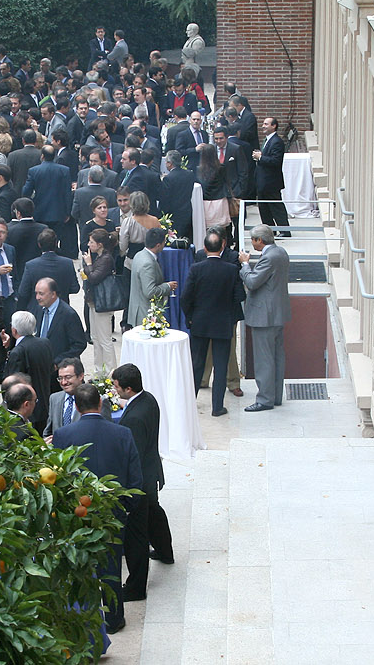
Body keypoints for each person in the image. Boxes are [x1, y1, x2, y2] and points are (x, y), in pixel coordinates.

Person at [51, 383, 143, 634]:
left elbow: (57, 480)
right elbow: (135, 479)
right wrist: (124, 509)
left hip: (77, 514)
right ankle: (114, 619)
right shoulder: (122, 433)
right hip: (113, 514)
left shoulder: (63, 436)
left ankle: (86, 620)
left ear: (78, 408)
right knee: (111, 567)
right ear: (100, 404)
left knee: (80, 567)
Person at [112, 362, 175, 592]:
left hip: (141, 480)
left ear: (128, 389)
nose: (115, 390)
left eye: (117, 387)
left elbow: (134, 455)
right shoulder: (148, 399)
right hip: (151, 471)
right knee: (155, 513)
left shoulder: (134, 419)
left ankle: (136, 586)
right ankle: (164, 551)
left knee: (137, 534)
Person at [180, 231, 245, 417]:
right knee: (221, 365)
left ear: (205, 248)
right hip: (223, 324)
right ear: (222, 247)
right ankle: (217, 407)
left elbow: (185, 298)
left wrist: (190, 316)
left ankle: (190, 404)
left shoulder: (196, 269)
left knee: (197, 364)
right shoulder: (231, 270)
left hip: (200, 323)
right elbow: (240, 296)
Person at [239, 225, 292, 410]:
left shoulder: (268, 257)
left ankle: (264, 400)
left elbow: (252, 282)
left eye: (253, 240)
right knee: (277, 356)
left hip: (264, 316)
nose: (252, 243)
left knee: (264, 359)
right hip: (277, 313)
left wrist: (245, 265)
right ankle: (275, 396)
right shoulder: (281, 252)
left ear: (259, 241)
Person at [82, 227, 123, 375]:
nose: (89, 244)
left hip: (103, 303)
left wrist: (88, 265)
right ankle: (99, 371)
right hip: (94, 301)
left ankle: (112, 373)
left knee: (105, 339)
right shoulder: (99, 257)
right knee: (95, 337)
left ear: (100, 244)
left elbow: (93, 277)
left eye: (91, 242)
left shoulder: (106, 259)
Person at [126, 227, 174, 328]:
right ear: (158, 245)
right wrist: (168, 286)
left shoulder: (139, 255)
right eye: (164, 242)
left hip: (139, 309)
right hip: (145, 314)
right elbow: (149, 291)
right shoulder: (147, 263)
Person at [34, 278, 88, 363]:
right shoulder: (38, 309)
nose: (37, 297)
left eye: (41, 294)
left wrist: (59, 362)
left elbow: (79, 344)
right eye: (36, 293)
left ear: (53, 294)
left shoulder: (69, 315)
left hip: (60, 368)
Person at [254, 119, 291, 233]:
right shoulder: (267, 140)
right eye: (263, 124)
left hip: (271, 182)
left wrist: (260, 157)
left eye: (266, 124)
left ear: (274, 126)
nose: (263, 126)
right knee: (264, 209)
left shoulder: (276, 141)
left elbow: (275, 161)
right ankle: (270, 231)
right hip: (263, 182)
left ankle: (284, 230)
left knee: (276, 207)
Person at [44, 356, 86, 439]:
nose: (63, 382)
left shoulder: (94, 400)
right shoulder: (54, 398)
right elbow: (48, 431)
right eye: (60, 378)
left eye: (68, 377)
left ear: (81, 376)